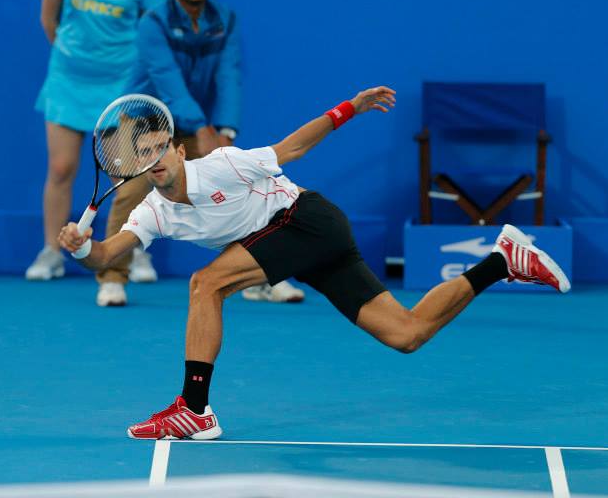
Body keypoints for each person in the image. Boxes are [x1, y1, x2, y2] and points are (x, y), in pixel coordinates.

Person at [58, 86, 571, 440]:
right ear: (137, 166)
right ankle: (504, 261)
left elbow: (293, 147)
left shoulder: (221, 165)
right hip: (300, 247)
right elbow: (106, 255)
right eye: (143, 155)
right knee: (407, 334)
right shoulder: (153, 211)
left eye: (161, 149)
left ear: (177, 148)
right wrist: (82, 247)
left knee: (205, 283)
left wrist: (353, 106)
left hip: (308, 221)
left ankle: (193, 409)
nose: (155, 160)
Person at [92, 0, 305, 306]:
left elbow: (228, 76)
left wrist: (226, 130)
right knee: (131, 191)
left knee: (246, 187)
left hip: (198, 121)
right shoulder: (154, 22)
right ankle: (112, 278)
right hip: (145, 117)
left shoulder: (226, 20)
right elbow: (167, 79)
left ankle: (262, 277)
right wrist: (202, 129)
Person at [26, 0, 162, 288]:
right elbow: (48, 19)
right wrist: (73, 58)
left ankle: (129, 253)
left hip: (121, 88)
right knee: (61, 168)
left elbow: (152, 36)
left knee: (126, 178)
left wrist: (125, 75)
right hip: (67, 82)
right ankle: (52, 251)